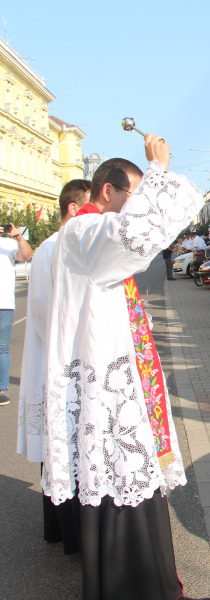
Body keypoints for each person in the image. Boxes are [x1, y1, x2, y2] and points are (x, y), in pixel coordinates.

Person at [41, 135, 209, 600]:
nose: (137, 205)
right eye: (133, 194)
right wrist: (157, 171)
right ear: (108, 191)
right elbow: (137, 236)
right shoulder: (85, 230)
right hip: (108, 392)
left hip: (119, 381)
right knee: (122, 485)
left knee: (137, 484)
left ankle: (155, 583)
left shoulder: (88, 233)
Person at [17, 179, 89, 555]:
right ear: (74, 209)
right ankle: (69, 534)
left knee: (65, 451)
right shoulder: (51, 250)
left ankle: (63, 530)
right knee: (64, 450)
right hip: (62, 365)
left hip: (65, 363)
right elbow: (49, 315)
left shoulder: (61, 247)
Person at [0, 219, 33, 406]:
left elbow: (26, 255)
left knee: (2, 348)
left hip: (3, 303)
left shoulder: (8, 243)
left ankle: (2, 389)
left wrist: (19, 237)